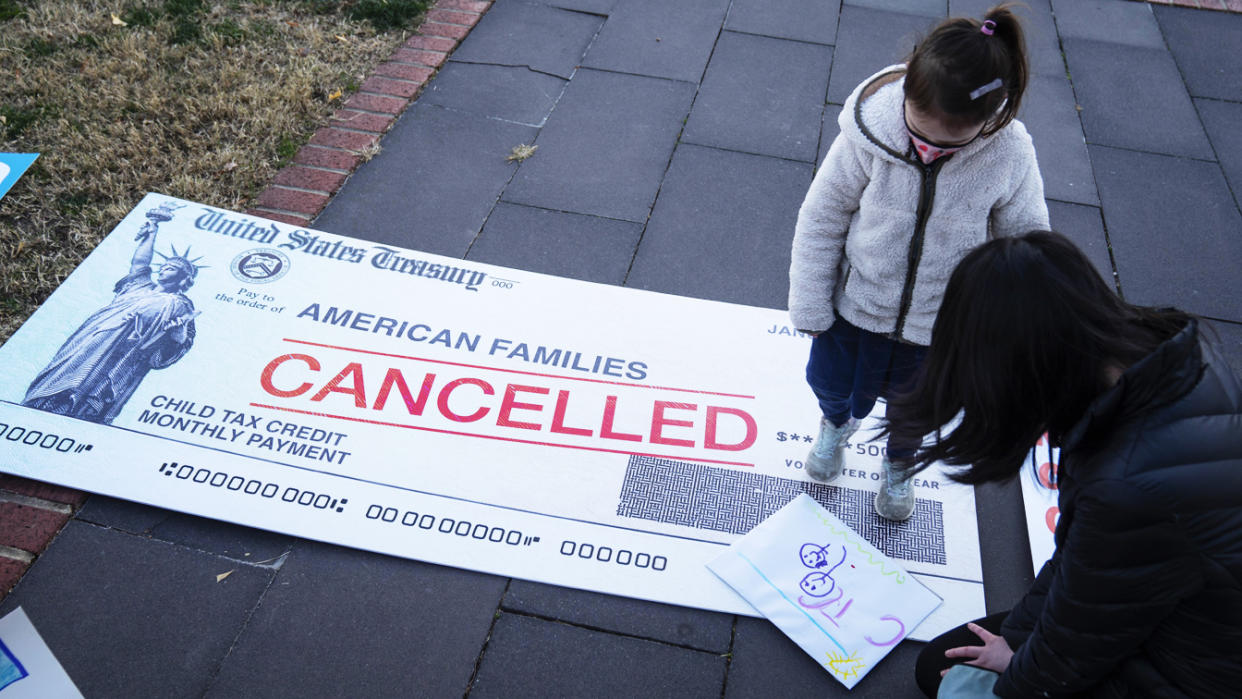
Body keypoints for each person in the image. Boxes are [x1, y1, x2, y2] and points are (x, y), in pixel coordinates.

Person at [880, 231, 1242, 697]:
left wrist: (1011, 679)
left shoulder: (1125, 486)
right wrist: (1014, 640)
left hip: (1197, 671)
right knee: (951, 659)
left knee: (954, 681)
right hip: (1189, 613)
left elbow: (1071, 657)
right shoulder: (1171, 359)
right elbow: (1086, 572)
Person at [789, 4, 1049, 521]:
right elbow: (822, 217)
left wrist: (1005, 329)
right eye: (919, 133)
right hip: (855, 308)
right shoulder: (867, 136)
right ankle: (835, 426)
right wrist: (811, 306)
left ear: (988, 120)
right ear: (907, 91)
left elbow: (1024, 243)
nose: (927, 150)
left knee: (918, 410)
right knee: (832, 384)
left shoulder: (1009, 155)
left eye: (948, 143)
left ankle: (901, 464)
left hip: (938, 324)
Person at [23, 203, 201, 424]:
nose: (165, 268)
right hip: (95, 337)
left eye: (172, 267)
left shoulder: (181, 305)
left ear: (183, 278)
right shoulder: (139, 286)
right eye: (164, 265)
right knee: (66, 372)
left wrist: (179, 332)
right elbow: (140, 262)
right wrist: (152, 232)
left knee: (91, 389)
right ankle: (41, 404)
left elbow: (180, 342)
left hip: (124, 352)